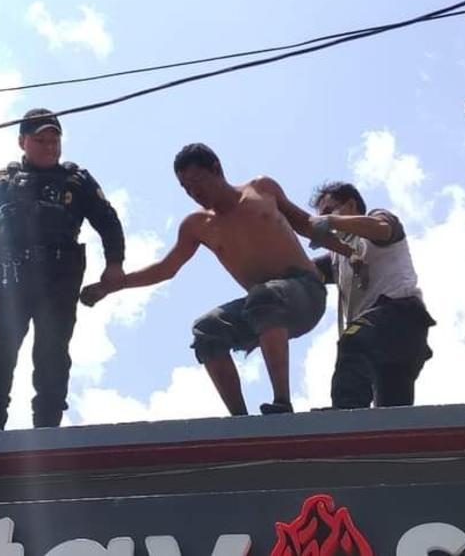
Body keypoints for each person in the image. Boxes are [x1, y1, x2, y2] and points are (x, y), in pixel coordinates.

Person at [80, 143, 338, 416]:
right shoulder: (197, 226)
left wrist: (350, 252)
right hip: (263, 308)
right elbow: (166, 268)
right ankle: (240, 419)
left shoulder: (261, 189)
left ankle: (282, 402)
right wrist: (112, 286)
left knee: (265, 295)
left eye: (197, 182)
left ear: (216, 169)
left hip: (305, 293)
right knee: (207, 329)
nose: (195, 193)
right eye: (186, 188)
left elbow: (306, 223)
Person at [0, 108, 126, 430]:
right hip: (9, 278)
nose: (50, 146)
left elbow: (108, 220)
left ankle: (47, 431)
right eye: (41, 139)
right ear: (22, 141)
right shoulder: (2, 181)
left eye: (55, 140)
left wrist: (114, 264)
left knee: (52, 354)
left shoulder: (77, 181)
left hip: (58, 281)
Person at [308, 182, 435, 409]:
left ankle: (344, 414)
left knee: (352, 339)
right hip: (386, 343)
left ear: (351, 204)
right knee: (391, 414)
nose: (325, 219)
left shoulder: (376, 221)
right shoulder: (338, 255)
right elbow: (305, 269)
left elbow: (382, 228)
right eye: (322, 216)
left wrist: (330, 222)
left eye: (330, 210)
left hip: (401, 316)